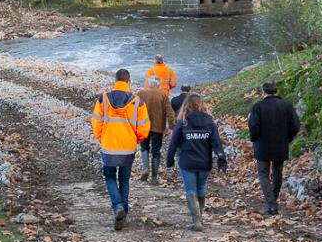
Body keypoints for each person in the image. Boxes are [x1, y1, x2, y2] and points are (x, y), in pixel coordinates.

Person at [92, 69, 151, 230]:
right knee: (124, 179)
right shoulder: (138, 101)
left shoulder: (103, 99)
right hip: (128, 146)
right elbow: (144, 126)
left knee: (110, 177)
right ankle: (122, 209)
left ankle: (118, 207)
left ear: (115, 81)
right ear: (129, 82)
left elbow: (96, 122)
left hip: (109, 145)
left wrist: (102, 137)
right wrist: (137, 139)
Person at [166, 94, 227, 230]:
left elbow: (173, 143)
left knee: (190, 189)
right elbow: (217, 144)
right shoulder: (209, 121)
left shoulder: (183, 121)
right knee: (201, 188)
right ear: (201, 104)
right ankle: (199, 218)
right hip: (205, 162)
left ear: (186, 105)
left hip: (187, 162)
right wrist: (222, 160)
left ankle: (196, 221)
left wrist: (169, 160)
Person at [247, 81, 301, 215]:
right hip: (280, 144)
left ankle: (271, 204)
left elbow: (253, 126)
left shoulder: (257, 107)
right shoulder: (287, 106)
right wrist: (288, 138)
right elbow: (296, 125)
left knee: (263, 173)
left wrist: (255, 138)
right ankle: (274, 200)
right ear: (277, 91)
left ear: (263, 92)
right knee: (278, 172)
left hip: (262, 145)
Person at [135, 76, 174, 184]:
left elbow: (134, 109)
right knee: (156, 152)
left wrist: (134, 124)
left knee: (144, 148)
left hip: (143, 127)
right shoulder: (163, 95)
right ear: (158, 84)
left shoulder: (141, 93)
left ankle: (145, 169)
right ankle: (154, 178)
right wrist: (171, 127)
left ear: (149, 83)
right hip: (158, 128)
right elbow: (170, 113)